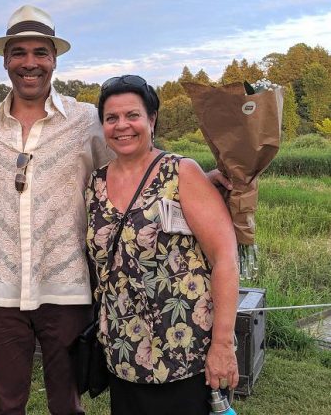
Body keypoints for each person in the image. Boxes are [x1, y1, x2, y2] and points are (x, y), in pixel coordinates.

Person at [0, 4, 112, 414]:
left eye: (40, 52)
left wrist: (200, 178)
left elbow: (133, 166)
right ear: (6, 60)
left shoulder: (85, 121)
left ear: (54, 60)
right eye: (19, 53)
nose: (30, 63)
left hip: (67, 287)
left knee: (67, 403)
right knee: (5, 403)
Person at [85, 74, 240, 415]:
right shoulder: (95, 183)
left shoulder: (181, 172)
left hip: (183, 351)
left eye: (132, 115)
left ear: (151, 119)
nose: (122, 125)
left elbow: (225, 257)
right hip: (123, 353)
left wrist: (223, 344)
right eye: (111, 118)